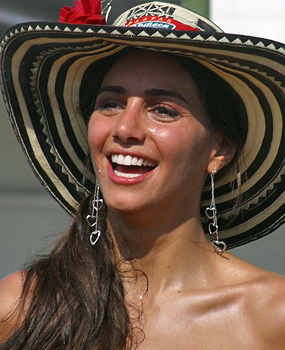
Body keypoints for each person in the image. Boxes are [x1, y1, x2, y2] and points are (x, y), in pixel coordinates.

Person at [0, 1, 284, 349]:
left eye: (162, 110)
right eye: (111, 103)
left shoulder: (272, 314)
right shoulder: (20, 305)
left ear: (220, 149)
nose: (125, 127)